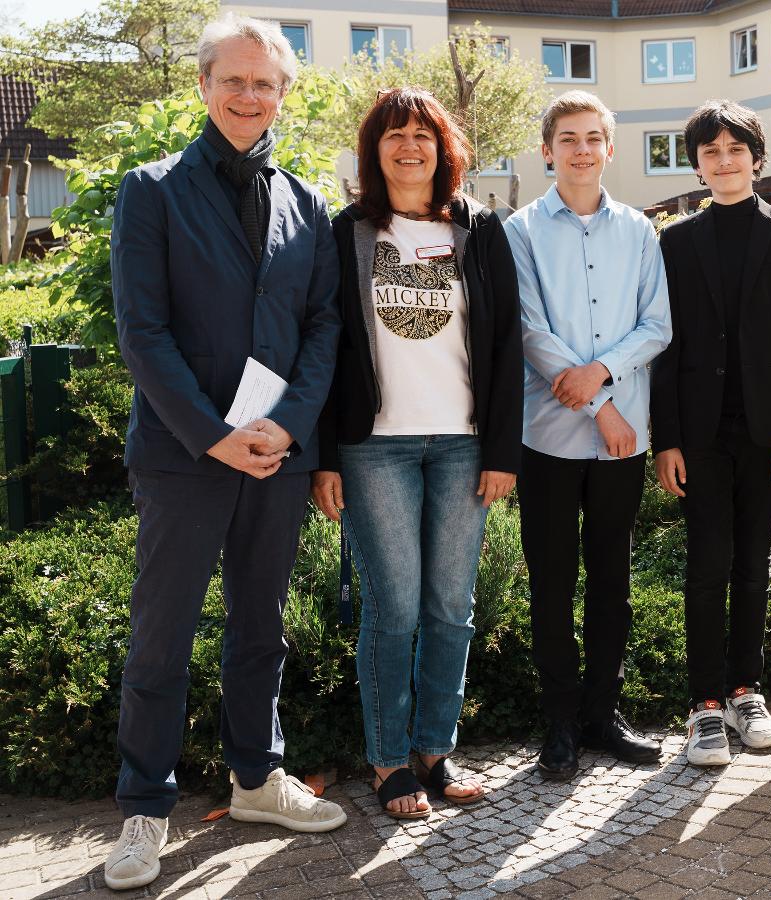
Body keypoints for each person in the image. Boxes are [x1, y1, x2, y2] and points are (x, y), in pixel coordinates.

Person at [104, 13, 346, 890]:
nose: (250, 96)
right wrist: (213, 434)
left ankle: (255, 777)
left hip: (276, 453)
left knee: (260, 625)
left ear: (285, 93)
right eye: (234, 81)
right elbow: (144, 332)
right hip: (184, 455)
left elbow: (323, 326)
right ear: (203, 87)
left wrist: (287, 426)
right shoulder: (153, 188)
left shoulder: (307, 201)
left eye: (265, 83)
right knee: (161, 636)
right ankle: (143, 808)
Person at [310, 87, 522, 818]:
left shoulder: (479, 230)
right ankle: (388, 760)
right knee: (394, 608)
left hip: (463, 445)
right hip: (375, 449)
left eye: (423, 135)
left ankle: (436, 748)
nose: (410, 146)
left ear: (444, 149)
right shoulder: (347, 233)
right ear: (374, 150)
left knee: (451, 608)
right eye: (394, 134)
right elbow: (327, 347)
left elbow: (505, 343)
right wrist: (324, 457)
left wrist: (502, 449)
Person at [504, 90, 672, 779]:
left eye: (592, 138)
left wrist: (602, 375)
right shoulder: (517, 231)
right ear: (547, 151)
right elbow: (528, 329)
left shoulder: (639, 230)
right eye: (567, 138)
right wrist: (599, 401)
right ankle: (561, 723)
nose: (580, 149)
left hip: (621, 442)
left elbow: (656, 324)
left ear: (610, 149)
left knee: (611, 581)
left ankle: (604, 716)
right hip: (550, 434)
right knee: (551, 582)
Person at [652, 100, 771, 767]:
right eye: (710, 152)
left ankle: (747, 691)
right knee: (707, 563)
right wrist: (665, 439)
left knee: (754, 564)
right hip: (698, 433)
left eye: (735, 149)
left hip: (766, 432)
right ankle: (704, 706)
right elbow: (665, 346)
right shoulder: (676, 240)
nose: (723, 162)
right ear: (697, 164)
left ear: (756, 156)